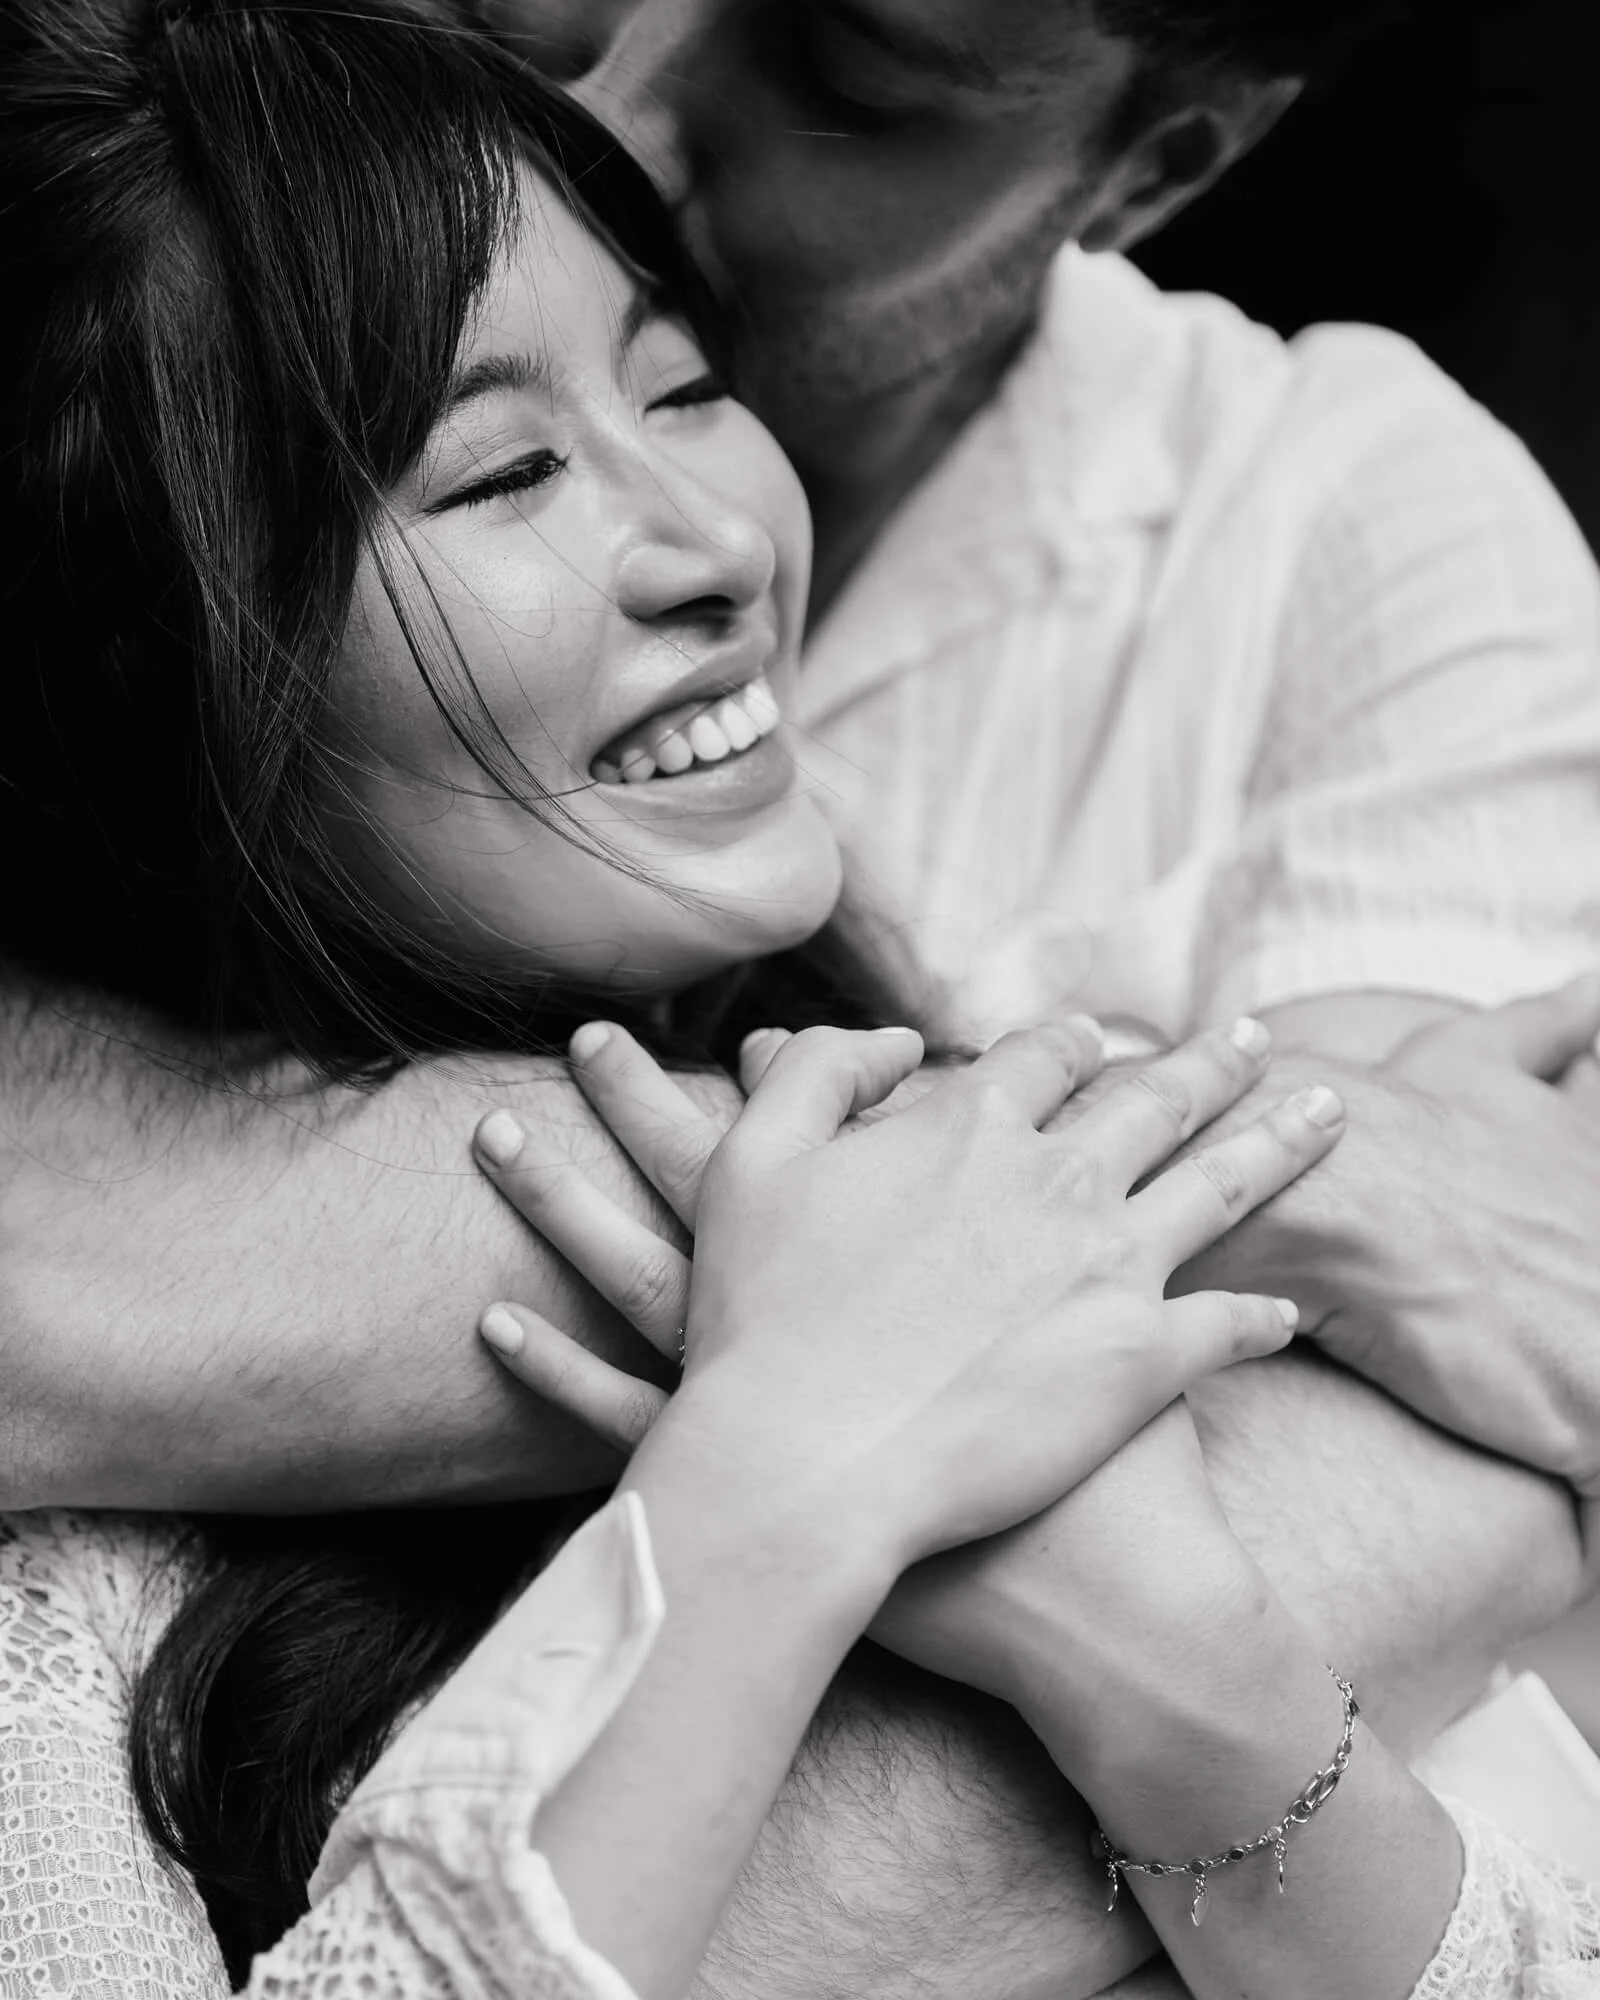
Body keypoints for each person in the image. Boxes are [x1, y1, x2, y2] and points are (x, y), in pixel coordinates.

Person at [3, 0, 1600, 1994]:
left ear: (1153, 168)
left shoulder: (1345, 527)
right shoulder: (79, 1584)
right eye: (496, 475)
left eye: (679, 389)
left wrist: (1160, 1642)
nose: (713, 547)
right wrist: (794, 1474)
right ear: (147, 693)